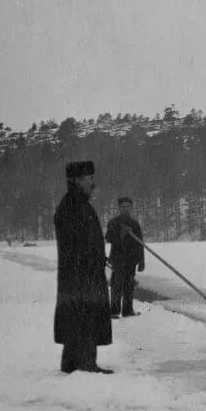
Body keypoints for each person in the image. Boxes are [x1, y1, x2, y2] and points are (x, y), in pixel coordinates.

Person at [53, 160, 113, 374]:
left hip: (80, 272)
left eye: (91, 178)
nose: (92, 182)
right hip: (81, 273)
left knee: (78, 315)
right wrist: (91, 260)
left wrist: (99, 257)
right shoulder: (73, 206)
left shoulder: (77, 204)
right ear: (76, 181)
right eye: (88, 178)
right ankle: (86, 363)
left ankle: (71, 363)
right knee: (85, 315)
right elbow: (76, 243)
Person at [105, 197, 145, 318]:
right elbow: (108, 239)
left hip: (131, 260)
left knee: (129, 285)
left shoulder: (135, 224)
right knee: (117, 285)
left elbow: (140, 244)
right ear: (119, 208)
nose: (125, 209)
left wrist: (142, 260)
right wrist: (121, 234)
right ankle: (114, 311)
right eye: (123, 207)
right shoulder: (113, 223)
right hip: (117, 259)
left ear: (131, 208)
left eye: (128, 206)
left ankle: (128, 311)